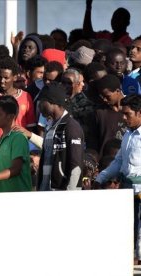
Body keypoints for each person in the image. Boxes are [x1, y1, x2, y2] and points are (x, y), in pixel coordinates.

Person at [93, 94, 141, 263]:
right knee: (129, 232)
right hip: (128, 191)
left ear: (139, 113)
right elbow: (119, 161)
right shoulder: (128, 135)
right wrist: (100, 177)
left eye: (127, 114)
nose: (123, 117)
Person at [37, 83, 84, 191]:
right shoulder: (50, 126)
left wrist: (68, 194)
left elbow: (75, 165)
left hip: (63, 194)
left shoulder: (71, 126)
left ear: (52, 102)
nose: (39, 107)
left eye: (41, 102)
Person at [86, 74, 126, 156]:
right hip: (105, 162)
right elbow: (92, 142)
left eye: (107, 96)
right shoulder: (99, 113)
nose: (104, 99)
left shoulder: (133, 110)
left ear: (118, 91)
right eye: (102, 96)